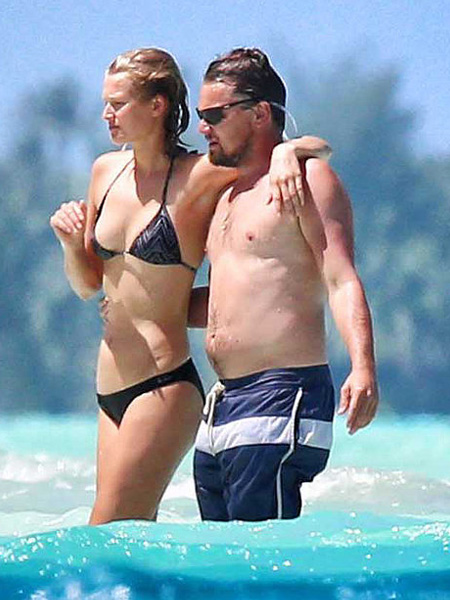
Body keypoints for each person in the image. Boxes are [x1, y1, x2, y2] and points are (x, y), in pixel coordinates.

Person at [49, 47, 331, 525]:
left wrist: (290, 150)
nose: (106, 115)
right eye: (105, 103)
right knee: (126, 537)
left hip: (164, 385)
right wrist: (72, 245)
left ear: (157, 105)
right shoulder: (104, 172)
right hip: (110, 384)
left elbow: (301, 151)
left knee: (104, 529)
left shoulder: (200, 174)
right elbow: (88, 286)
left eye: (118, 103)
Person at [190, 48, 379, 522]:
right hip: (223, 401)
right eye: (199, 115)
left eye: (214, 115)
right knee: (224, 556)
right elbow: (230, 297)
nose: (202, 128)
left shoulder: (307, 180)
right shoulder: (226, 194)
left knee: (262, 556)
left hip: (283, 392)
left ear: (259, 114)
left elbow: (340, 279)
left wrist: (363, 367)